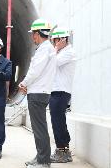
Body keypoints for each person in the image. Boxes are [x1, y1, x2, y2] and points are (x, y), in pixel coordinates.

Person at [18, 19, 56, 168]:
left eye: (33, 34)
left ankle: (43, 161)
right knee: (39, 127)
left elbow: (35, 71)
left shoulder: (44, 49)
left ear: (38, 33)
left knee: (39, 128)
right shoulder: (47, 48)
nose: (32, 37)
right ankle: (41, 156)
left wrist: (23, 83)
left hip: (38, 94)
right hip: (40, 92)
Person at [49, 27, 76, 163]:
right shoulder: (62, 52)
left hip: (61, 92)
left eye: (56, 40)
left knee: (58, 121)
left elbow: (53, 63)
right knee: (57, 121)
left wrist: (55, 49)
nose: (54, 43)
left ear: (62, 40)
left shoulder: (68, 52)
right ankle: (62, 150)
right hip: (57, 91)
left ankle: (63, 152)